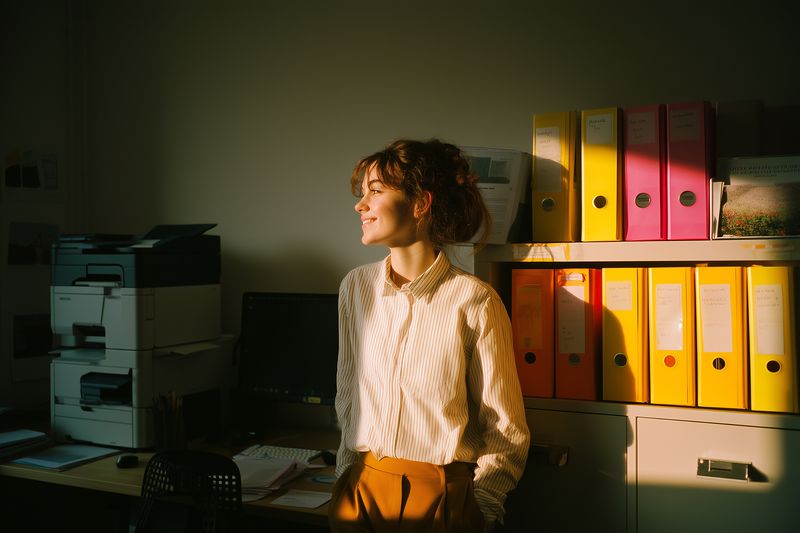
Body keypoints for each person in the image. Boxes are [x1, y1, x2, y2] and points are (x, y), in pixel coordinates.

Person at [328, 138, 530, 533]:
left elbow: (505, 427)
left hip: (439, 496)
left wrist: (483, 506)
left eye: (375, 191)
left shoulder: (474, 300)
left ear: (420, 203)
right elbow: (348, 391)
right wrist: (343, 478)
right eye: (362, 193)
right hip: (360, 488)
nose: (360, 205)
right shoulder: (355, 287)